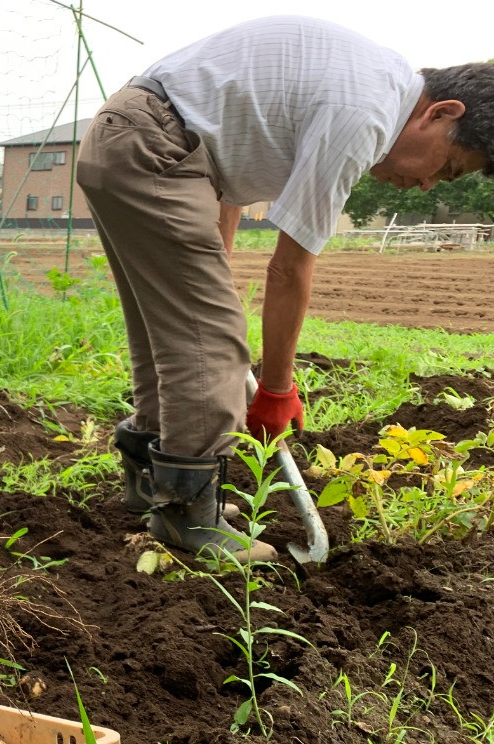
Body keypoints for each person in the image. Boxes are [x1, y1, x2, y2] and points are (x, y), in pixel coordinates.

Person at [76, 17, 494, 561]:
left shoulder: (372, 80)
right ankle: (186, 516)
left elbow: (225, 164)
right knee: (210, 340)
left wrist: (214, 264)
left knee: (172, 332)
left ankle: (155, 480)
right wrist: (276, 391)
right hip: (155, 147)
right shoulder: (365, 116)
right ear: (441, 114)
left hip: (133, 139)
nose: (426, 184)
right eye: (448, 166)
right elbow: (289, 269)